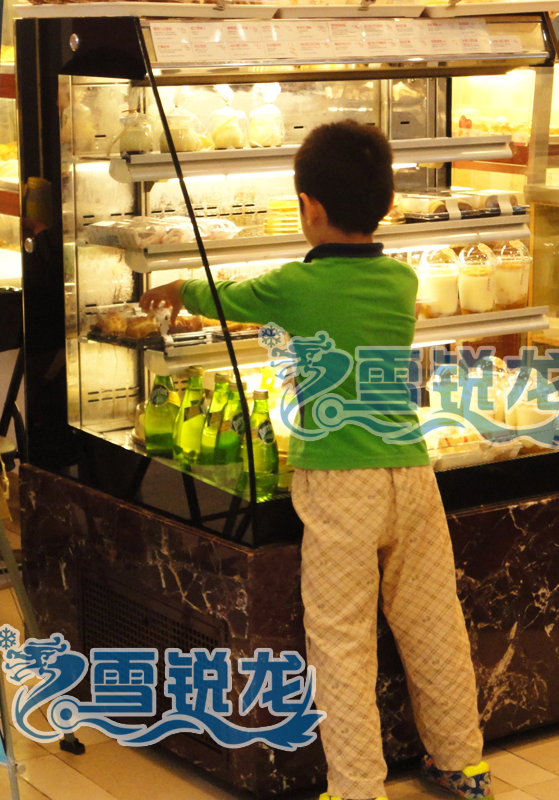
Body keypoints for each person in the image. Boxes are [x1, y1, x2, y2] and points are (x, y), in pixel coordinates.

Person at [139, 120, 492, 800]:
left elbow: (229, 299)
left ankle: (358, 788)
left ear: (309, 207)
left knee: (341, 642)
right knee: (433, 624)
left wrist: (179, 289)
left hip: (338, 483)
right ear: (386, 204)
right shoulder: (399, 281)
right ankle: (462, 763)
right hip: (410, 474)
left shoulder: (293, 287)